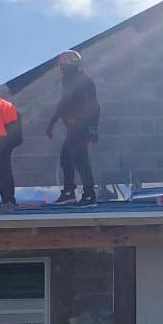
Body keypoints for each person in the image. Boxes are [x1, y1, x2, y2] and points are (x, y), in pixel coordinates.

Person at [45, 49, 100, 208]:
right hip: (75, 128)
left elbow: (93, 105)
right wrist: (52, 122)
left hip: (81, 127)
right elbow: (65, 103)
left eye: (63, 64)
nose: (61, 67)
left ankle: (89, 196)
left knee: (81, 161)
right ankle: (69, 193)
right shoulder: (71, 79)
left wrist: (92, 127)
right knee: (66, 158)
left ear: (70, 64)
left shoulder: (77, 80)